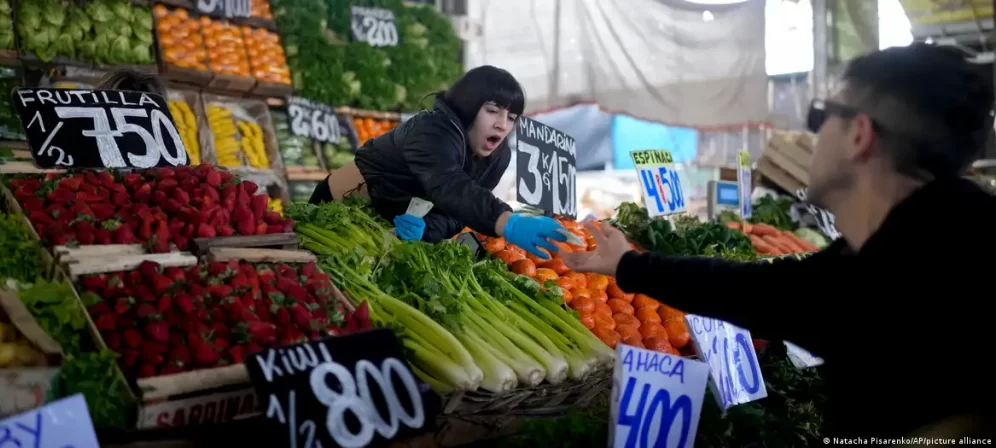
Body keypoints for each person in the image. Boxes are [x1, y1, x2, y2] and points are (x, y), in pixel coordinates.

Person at [563, 43, 996, 438]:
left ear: (859, 135)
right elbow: (764, 291)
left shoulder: (921, 266)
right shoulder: (909, 247)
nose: (811, 137)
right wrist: (630, 265)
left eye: (820, 117)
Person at [309, 65, 566, 256]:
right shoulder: (431, 130)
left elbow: (456, 215)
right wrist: (508, 222)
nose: (502, 125)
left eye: (511, 117)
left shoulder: (498, 157)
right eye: (492, 111)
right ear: (468, 107)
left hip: (389, 231)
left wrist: (427, 228)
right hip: (339, 211)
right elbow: (449, 184)